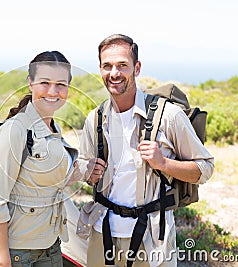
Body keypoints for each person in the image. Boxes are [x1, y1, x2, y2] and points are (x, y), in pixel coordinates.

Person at [76, 34, 214, 266]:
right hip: (102, 234)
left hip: (151, 241)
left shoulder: (168, 116)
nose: (114, 73)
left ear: (136, 68)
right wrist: (88, 172)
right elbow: (85, 168)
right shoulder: (96, 119)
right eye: (107, 66)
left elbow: (206, 168)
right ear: (100, 69)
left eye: (122, 65)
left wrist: (164, 163)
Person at [0, 51, 81, 267]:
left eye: (61, 84)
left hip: (49, 245)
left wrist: (81, 172)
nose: (53, 91)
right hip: (14, 250)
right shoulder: (15, 130)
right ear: (30, 83)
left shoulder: (54, 128)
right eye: (45, 82)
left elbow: (37, 182)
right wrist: (2, 261)